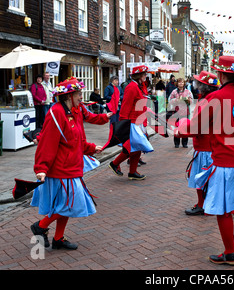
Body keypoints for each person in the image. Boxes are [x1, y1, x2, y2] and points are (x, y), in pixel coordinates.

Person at [176, 56, 234, 266]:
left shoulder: (214, 98)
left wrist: (180, 127)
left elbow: (196, 127)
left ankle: (230, 253)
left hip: (224, 160)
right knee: (230, 199)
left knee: (221, 208)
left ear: (220, 74)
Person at [30, 77, 103, 250]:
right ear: (69, 96)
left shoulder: (74, 112)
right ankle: (40, 226)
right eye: (78, 94)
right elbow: (47, 143)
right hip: (61, 169)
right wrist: (41, 168)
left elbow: (76, 139)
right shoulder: (56, 112)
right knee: (69, 203)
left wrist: (92, 148)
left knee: (66, 205)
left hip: (72, 166)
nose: (81, 97)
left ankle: (58, 238)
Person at [183, 71, 220, 216]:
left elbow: (199, 126)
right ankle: (207, 204)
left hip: (205, 146)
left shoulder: (207, 101)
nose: (196, 85)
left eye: (198, 83)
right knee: (205, 178)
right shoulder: (210, 99)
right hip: (208, 145)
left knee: (201, 177)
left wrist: (184, 130)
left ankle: (202, 205)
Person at [108, 65, 154, 180]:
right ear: (139, 75)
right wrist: (124, 124)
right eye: (144, 74)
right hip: (132, 122)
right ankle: (115, 164)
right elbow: (125, 107)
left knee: (136, 147)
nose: (145, 76)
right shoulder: (132, 87)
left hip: (138, 121)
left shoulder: (138, 86)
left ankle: (132, 172)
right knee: (131, 146)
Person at [168, 77, 194, 148]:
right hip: (176, 112)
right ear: (177, 83)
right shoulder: (174, 92)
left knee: (185, 127)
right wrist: (176, 100)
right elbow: (170, 100)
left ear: (184, 83)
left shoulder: (188, 92)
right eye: (179, 82)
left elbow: (191, 100)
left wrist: (188, 100)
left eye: (182, 82)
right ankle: (176, 143)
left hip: (185, 112)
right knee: (177, 127)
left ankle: (184, 143)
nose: (181, 83)